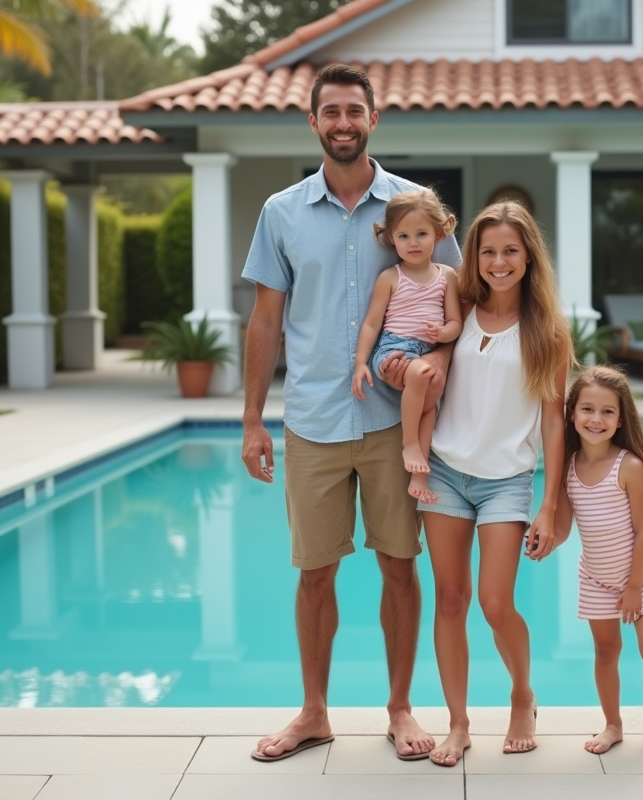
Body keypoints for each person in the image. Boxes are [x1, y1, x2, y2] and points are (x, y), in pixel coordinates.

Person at [240, 63, 461, 763]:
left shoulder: (413, 207)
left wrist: (433, 364)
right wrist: (252, 420)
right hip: (313, 421)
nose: (343, 123)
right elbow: (265, 321)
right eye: (330, 112)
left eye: (354, 111)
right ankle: (314, 712)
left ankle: (400, 708)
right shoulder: (281, 212)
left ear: (373, 119)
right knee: (315, 573)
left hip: (396, 424)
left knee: (399, 566)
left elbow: (458, 306)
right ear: (314, 122)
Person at [420, 201, 573, 767]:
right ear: (474, 257)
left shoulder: (548, 332)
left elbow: (554, 422)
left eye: (510, 250)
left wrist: (549, 506)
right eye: (488, 251)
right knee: (450, 598)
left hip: (506, 481)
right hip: (444, 470)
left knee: (494, 603)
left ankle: (522, 694)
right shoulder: (457, 309)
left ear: (529, 256)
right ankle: (458, 724)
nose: (499, 261)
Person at [552, 365, 643, 758]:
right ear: (572, 413)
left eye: (608, 411)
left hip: (642, 572)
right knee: (606, 652)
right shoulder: (568, 467)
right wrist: (542, 540)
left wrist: (634, 587)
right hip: (597, 577)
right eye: (587, 409)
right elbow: (563, 528)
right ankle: (613, 724)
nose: (597, 419)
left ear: (621, 419)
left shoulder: (630, 467)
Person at [353, 189, 462, 503]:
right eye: (404, 236)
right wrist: (360, 363)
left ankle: (418, 475)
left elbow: (456, 322)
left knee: (429, 405)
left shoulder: (447, 276)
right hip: (393, 349)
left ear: (438, 234)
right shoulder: (390, 277)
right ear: (391, 239)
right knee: (420, 374)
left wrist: (442, 333)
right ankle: (410, 444)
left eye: (421, 234)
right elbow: (372, 323)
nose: (413, 243)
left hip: (426, 352)